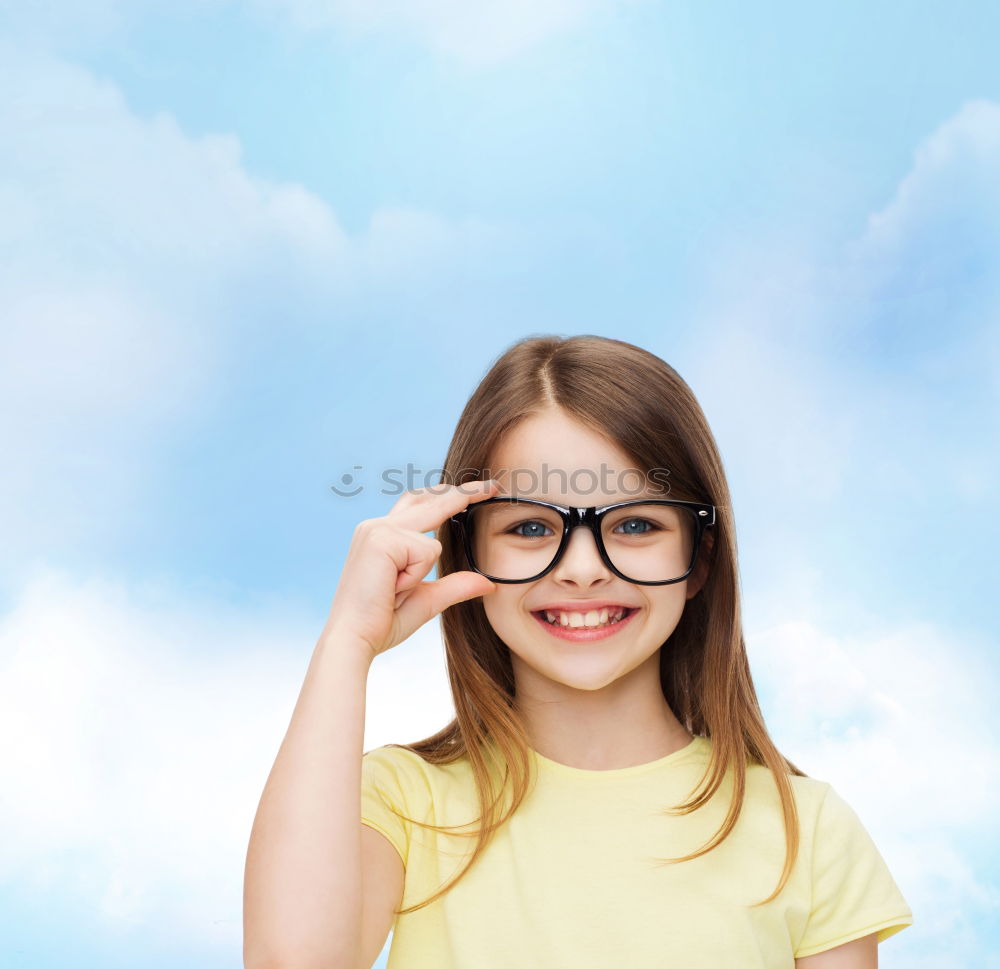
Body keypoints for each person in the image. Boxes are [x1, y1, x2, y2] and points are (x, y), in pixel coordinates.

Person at [243, 334, 914, 969]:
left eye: (635, 524)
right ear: (467, 549)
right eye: (532, 526)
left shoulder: (807, 828)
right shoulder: (399, 801)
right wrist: (346, 644)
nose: (583, 568)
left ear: (698, 558)